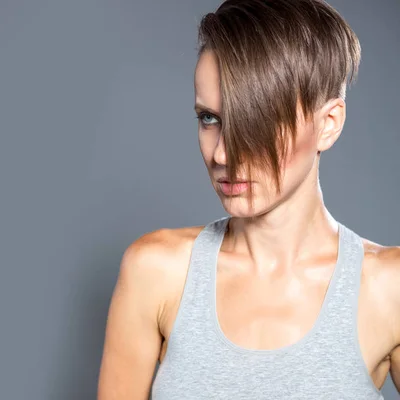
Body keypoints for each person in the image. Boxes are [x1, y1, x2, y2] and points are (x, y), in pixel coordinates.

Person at [96, 0, 400, 399]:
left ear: (328, 125)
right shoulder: (156, 273)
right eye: (210, 119)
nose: (222, 154)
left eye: (254, 122)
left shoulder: (388, 288)